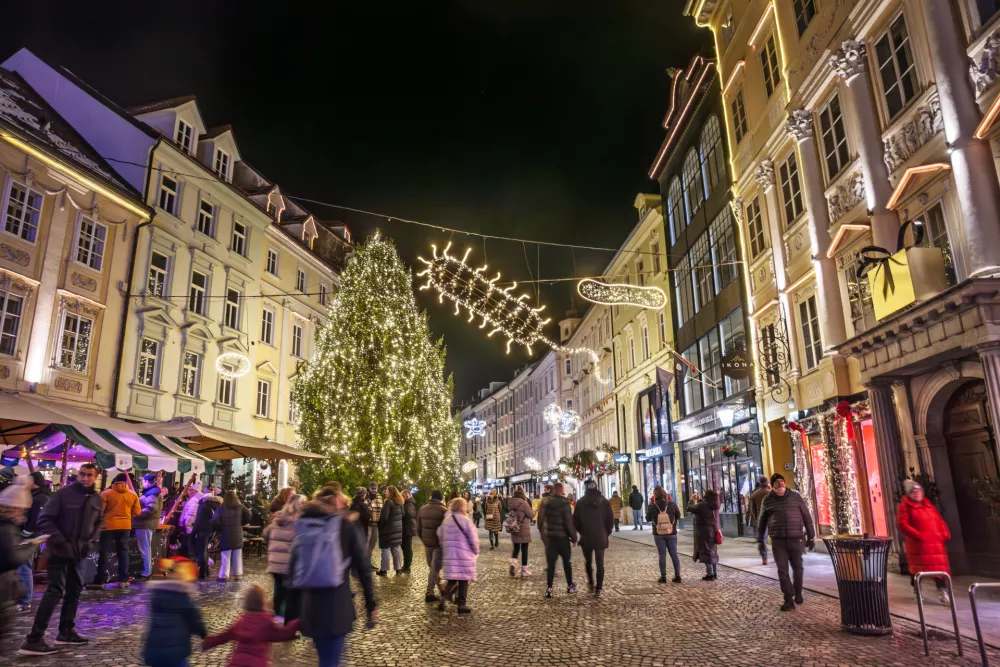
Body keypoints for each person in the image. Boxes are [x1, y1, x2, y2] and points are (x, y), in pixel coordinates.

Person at [20, 462, 103, 655]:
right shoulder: (62, 495)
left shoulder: (96, 499)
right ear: (78, 475)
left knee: (74, 591)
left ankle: (66, 631)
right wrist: (60, 541)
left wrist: (91, 540)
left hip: (79, 552)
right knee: (55, 592)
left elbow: (99, 521)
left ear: (95, 476)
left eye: (89, 475)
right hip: (59, 551)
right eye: (82, 474)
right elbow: (44, 519)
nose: (85, 478)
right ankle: (34, 638)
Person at [291, 486, 376, 667]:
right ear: (335, 502)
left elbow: (292, 570)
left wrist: (293, 613)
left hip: (311, 606)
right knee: (332, 661)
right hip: (337, 605)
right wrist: (371, 604)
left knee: (325, 657)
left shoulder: (304, 523)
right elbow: (362, 568)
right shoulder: (343, 526)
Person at [202, 584, 300, 666]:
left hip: (236, 663)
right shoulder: (266, 621)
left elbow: (224, 636)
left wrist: (208, 642)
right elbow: (283, 634)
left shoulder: (241, 621)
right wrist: (298, 622)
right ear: (262, 602)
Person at [757, 473, 815, 611]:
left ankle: (798, 592)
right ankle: (789, 598)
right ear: (772, 485)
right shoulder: (767, 499)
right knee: (782, 570)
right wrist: (761, 540)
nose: (780, 483)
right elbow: (762, 521)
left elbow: (807, 517)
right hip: (778, 540)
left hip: (796, 538)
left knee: (798, 568)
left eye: (782, 481)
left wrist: (811, 536)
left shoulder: (795, 497)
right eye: (776, 482)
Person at [142, 557, 206, 667]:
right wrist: (203, 634)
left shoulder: (157, 595)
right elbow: (194, 621)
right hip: (176, 653)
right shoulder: (184, 599)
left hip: (155, 650)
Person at [897, 479, 952, 606]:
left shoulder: (929, 506)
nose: (917, 493)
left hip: (935, 544)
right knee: (917, 570)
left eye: (919, 491)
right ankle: (917, 590)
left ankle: (943, 592)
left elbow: (939, 521)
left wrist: (944, 534)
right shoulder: (905, 507)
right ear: (908, 494)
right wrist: (918, 535)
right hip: (919, 545)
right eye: (913, 491)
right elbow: (903, 524)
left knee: (939, 570)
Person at [0, 475, 40, 642]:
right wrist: (31, 546)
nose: (23, 513)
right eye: (22, 510)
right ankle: (26, 601)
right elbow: (12, 558)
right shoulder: (6, 527)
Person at [436, 496, 479, 614]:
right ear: (462, 507)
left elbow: (440, 535)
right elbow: (473, 538)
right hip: (464, 555)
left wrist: (446, 547)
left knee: (452, 579)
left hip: (450, 555)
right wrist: (476, 550)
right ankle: (461, 604)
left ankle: (444, 598)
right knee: (464, 580)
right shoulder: (466, 520)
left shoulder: (447, 520)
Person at [264, 493, 303, 622]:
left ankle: (276, 618)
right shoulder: (298, 521)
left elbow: (266, 534)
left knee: (280, 593)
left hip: (275, 563)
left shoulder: (278, 517)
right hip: (288, 563)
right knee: (290, 594)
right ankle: (287, 624)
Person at [98, 471, 140, 587]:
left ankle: (101, 580)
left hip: (108, 526)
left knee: (104, 552)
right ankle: (123, 580)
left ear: (114, 481)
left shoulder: (106, 494)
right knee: (123, 552)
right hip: (125, 526)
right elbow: (137, 512)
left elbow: (100, 511)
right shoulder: (133, 495)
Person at [15, 471, 50, 613]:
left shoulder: (41, 498)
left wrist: (24, 534)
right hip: (30, 535)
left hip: (31, 536)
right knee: (22, 565)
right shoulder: (35, 495)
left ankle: (25, 601)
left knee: (24, 566)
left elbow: (36, 520)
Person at [573, 479, 613, 598]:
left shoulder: (580, 502)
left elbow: (576, 521)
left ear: (585, 488)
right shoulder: (604, 501)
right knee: (600, 563)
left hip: (586, 537)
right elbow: (610, 521)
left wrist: (582, 532)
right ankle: (599, 588)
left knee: (588, 561)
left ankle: (591, 582)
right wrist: (606, 532)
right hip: (601, 536)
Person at [541, 482, 577, 598]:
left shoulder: (546, 502)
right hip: (562, 539)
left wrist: (544, 534)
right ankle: (570, 585)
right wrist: (574, 538)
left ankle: (549, 588)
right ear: (561, 490)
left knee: (551, 565)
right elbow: (568, 522)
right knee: (567, 563)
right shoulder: (564, 503)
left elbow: (541, 519)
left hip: (551, 539)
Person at [214, 490, 252, 582]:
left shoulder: (222, 508)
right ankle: (237, 574)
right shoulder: (240, 507)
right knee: (237, 555)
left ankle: (223, 576)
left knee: (225, 556)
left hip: (226, 533)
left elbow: (215, 520)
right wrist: (241, 523)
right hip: (237, 533)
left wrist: (219, 529)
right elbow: (249, 515)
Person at [646, 486, 681, 583]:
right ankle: (677, 576)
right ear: (665, 494)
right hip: (671, 532)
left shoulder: (652, 505)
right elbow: (678, 515)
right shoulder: (672, 504)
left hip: (658, 533)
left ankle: (663, 576)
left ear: (655, 495)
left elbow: (647, 518)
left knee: (662, 555)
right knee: (674, 554)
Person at [416, 489, 447, 602]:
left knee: (433, 568)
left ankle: (440, 589)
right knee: (435, 568)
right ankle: (430, 592)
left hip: (427, 544)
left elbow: (418, 528)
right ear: (440, 498)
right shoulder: (444, 510)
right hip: (438, 544)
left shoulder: (422, 509)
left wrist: (424, 540)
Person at [687, 490, 721, 582]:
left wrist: (691, 499)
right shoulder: (714, 504)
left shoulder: (703, 505)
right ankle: (714, 573)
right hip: (713, 531)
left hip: (704, 532)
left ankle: (710, 574)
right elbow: (703, 507)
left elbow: (690, 508)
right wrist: (700, 500)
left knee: (707, 552)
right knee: (712, 552)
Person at [135, 472, 164, 581]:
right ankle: (147, 571)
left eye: (143, 481)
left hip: (145, 523)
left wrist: (137, 513)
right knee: (146, 547)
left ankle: (146, 572)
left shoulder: (151, 493)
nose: (142, 483)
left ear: (147, 482)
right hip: (147, 523)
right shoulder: (153, 492)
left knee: (144, 548)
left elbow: (151, 508)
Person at [191, 488, 222, 581]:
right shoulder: (217, 505)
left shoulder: (203, 506)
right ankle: (206, 570)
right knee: (204, 550)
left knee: (201, 551)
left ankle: (203, 572)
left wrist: (194, 531)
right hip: (211, 531)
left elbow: (199, 520)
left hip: (202, 530)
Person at [505, 485, 535, 578]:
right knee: (524, 550)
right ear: (522, 493)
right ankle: (524, 570)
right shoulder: (524, 503)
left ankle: (513, 564)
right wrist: (535, 511)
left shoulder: (510, 502)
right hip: (523, 529)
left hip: (514, 528)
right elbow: (531, 515)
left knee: (516, 548)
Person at [376, 486, 404, 576]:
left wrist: (380, 526)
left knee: (386, 549)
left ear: (390, 493)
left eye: (386, 491)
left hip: (388, 530)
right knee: (396, 549)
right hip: (397, 530)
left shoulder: (388, 502)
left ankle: (384, 570)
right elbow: (403, 514)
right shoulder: (400, 502)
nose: (385, 493)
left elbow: (384, 517)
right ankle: (398, 569)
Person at [748, 476, 771, 566]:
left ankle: (764, 558)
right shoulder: (771, 493)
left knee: (762, 539)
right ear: (767, 483)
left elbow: (752, 509)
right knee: (777, 538)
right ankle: (779, 556)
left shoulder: (754, 495)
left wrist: (757, 518)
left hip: (761, 519)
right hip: (773, 519)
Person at [179, 482, 205, 557]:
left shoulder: (194, 500)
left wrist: (188, 526)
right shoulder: (195, 499)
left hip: (189, 526)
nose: (189, 491)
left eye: (191, 490)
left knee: (188, 546)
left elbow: (191, 514)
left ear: (194, 491)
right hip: (190, 525)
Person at [400, 489, 417, 574]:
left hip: (408, 529)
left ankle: (407, 566)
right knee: (404, 548)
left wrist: (403, 509)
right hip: (406, 528)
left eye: (402, 495)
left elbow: (411, 515)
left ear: (407, 496)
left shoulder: (409, 504)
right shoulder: (407, 504)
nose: (401, 497)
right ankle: (405, 565)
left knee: (407, 548)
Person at [366, 482, 382, 564]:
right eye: (372, 488)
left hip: (376, 525)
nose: (374, 490)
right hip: (367, 525)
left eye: (375, 488)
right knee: (365, 544)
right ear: (369, 488)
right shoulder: (365, 496)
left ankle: (368, 562)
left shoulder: (379, 497)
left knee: (372, 544)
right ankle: (363, 563)